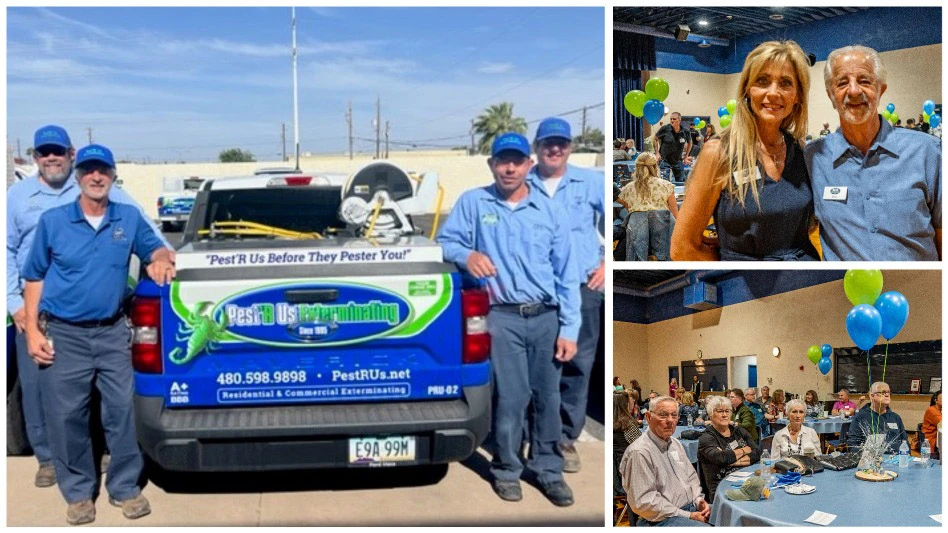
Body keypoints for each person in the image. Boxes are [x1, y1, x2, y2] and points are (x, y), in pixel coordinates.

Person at [7, 126, 169, 491]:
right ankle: (75, 487)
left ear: (112, 175)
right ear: (79, 176)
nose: (96, 176)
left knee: (122, 409)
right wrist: (29, 324)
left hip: (111, 329)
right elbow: (31, 274)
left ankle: (125, 487)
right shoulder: (44, 214)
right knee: (63, 414)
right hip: (59, 328)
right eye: (90, 171)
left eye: (104, 170)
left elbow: (153, 242)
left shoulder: (124, 215)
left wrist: (160, 258)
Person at [438, 132, 580, 507]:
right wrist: (467, 255)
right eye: (503, 160)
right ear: (492, 165)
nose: (510, 167)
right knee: (511, 400)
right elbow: (446, 241)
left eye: (517, 160)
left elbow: (566, 273)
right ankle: (507, 469)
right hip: (501, 317)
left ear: (529, 165)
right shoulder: (474, 203)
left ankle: (549, 471)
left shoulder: (550, 211)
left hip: (547, 316)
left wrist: (569, 327)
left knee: (548, 399)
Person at [671, 41, 819, 261]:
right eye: (763, 81)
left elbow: (797, 227)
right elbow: (683, 249)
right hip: (749, 287)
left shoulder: (802, 152)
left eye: (786, 83)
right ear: (748, 90)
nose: (773, 92)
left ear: (797, 96)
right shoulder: (719, 153)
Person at [805, 45, 941, 261]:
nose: (854, 91)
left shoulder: (927, 152)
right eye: (842, 83)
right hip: (846, 290)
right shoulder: (813, 158)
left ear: (881, 89)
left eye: (864, 81)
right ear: (831, 95)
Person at [527, 117, 605, 475]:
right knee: (536, 365)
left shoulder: (591, 182)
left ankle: (564, 438)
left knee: (576, 365)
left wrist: (609, 263)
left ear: (570, 147)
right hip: (537, 293)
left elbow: (632, 215)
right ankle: (534, 435)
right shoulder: (519, 186)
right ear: (537, 147)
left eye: (560, 143)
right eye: (547, 143)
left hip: (582, 288)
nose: (554, 149)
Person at [621, 396, 711, 526]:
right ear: (648, 417)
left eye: (674, 415)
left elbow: (690, 476)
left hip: (690, 507)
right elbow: (645, 502)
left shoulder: (675, 443)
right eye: (663, 415)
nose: (670, 420)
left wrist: (698, 500)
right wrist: (689, 516)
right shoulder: (640, 452)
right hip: (660, 519)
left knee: (727, 517)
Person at [698, 395, 760, 504]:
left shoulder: (739, 431)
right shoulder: (707, 438)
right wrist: (745, 450)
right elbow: (721, 458)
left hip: (747, 482)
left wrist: (732, 460)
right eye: (720, 411)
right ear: (711, 415)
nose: (724, 415)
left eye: (727, 411)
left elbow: (756, 453)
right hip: (722, 488)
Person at [847, 381, 908, 453]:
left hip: (896, 460)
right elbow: (852, 446)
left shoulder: (895, 417)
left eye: (888, 392)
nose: (887, 395)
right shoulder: (860, 417)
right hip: (871, 461)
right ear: (872, 396)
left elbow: (905, 442)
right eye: (883, 392)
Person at [654, 112, 691, 182]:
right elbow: (655, 138)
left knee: (681, 181)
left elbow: (690, 143)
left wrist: (686, 156)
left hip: (678, 160)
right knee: (664, 182)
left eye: (674, 119)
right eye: (671, 119)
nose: (672, 120)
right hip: (665, 160)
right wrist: (657, 153)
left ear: (679, 120)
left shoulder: (685, 131)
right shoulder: (665, 129)